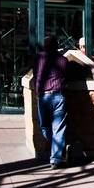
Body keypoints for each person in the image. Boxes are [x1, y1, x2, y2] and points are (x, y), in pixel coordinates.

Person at [34, 35, 70, 169]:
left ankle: (56, 157)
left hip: (44, 96)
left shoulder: (38, 58)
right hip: (59, 95)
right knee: (58, 128)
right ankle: (56, 155)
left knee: (44, 126)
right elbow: (67, 75)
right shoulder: (63, 60)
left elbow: (35, 74)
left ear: (45, 45)